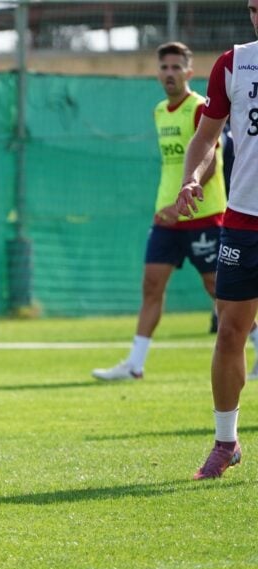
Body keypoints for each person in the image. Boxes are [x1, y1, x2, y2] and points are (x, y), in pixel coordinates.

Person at [92, 41, 241, 381]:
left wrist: (181, 203)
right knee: (151, 284)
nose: (169, 73)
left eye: (176, 67)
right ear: (157, 73)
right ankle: (135, 364)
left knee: (218, 289)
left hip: (203, 214)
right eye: (164, 67)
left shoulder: (200, 108)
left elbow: (211, 162)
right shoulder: (160, 111)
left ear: (189, 72)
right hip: (167, 217)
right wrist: (168, 206)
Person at [177, 0, 258, 479]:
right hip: (244, 221)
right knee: (229, 331)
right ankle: (226, 442)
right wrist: (192, 177)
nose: (257, 16)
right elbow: (207, 138)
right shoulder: (233, 63)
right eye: (253, 8)